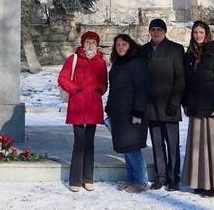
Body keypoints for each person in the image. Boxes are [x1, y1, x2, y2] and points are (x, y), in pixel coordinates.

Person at [181, 21, 214, 197]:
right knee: (197, 147)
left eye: (201, 32)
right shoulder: (190, 54)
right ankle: (198, 182)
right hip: (195, 107)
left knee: (212, 148)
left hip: (211, 107)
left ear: (206, 33)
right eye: (195, 32)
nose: (198, 35)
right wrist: (185, 102)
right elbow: (186, 81)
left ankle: (212, 184)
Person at [57, 30, 108, 193]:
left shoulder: (101, 62)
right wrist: (75, 89)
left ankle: (88, 178)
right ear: (82, 43)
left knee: (90, 143)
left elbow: (104, 83)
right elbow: (62, 78)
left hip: (93, 106)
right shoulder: (74, 58)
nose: (90, 45)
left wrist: (100, 89)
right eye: (87, 42)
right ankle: (75, 179)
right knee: (79, 143)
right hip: (78, 106)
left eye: (93, 42)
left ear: (97, 44)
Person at [140, 18, 185, 191]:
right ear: (150, 31)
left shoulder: (175, 49)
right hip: (151, 106)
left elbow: (180, 78)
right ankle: (161, 176)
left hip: (169, 105)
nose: (156, 32)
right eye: (153, 29)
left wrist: (175, 102)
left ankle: (174, 177)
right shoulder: (143, 50)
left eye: (159, 29)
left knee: (172, 144)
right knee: (157, 143)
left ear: (165, 32)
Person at [106, 34, 149, 193]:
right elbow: (114, 88)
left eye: (124, 44)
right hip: (118, 114)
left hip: (133, 113)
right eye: (118, 45)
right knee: (125, 148)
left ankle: (141, 182)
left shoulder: (137, 63)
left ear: (130, 45)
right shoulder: (117, 64)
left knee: (133, 148)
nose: (121, 47)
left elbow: (142, 88)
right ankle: (131, 179)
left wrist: (138, 111)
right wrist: (109, 107)